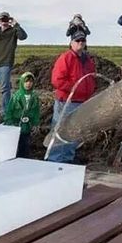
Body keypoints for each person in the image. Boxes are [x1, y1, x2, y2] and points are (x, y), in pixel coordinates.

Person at [46, 32, 96, 163]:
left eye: (83, 40)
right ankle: (54, 161)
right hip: (67, 102)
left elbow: (91, 77)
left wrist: (89, 90)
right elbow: (57, 80)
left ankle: (67, 159)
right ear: (71, 43)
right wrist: (74, 88)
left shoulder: (88, 60)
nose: (80, 42)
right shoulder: (66, 58)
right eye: (77, 40)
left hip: (82, 102)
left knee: (74, 133)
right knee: (60, 131)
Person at [0, 11, 28, 113]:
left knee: (5, 88)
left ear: (9, 20)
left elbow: (23, 36)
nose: (4, 21)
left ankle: (6, 112)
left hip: (5, 64)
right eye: (2, 19)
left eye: (6, 19)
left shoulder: (14, 31)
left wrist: (16, 24)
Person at [3, 72, 40, 158]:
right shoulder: (17, 96)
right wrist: (9, 121)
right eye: (26, 81)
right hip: (16, 124)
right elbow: (10, 110)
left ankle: (24, 157)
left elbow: (36, 111)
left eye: (31, 82)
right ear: (22, 82)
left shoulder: (34, 97)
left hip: (27, 126)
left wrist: (35, 122)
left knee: (25, 143)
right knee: (14, 144)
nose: (28, 84)